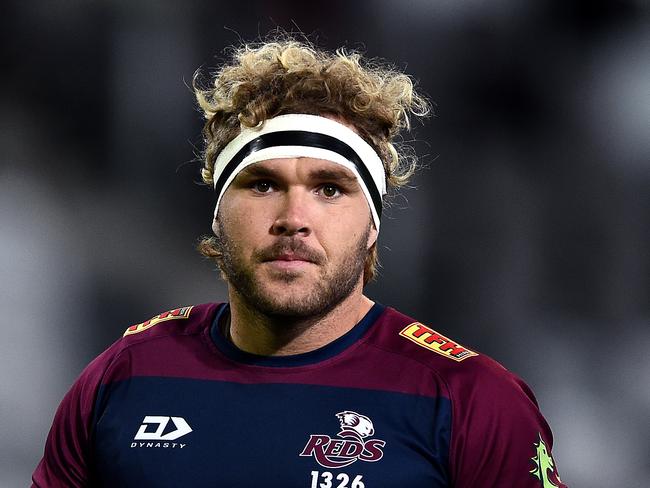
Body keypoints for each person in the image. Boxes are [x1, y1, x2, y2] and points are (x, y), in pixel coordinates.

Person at [33, 37, 567, 488]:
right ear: (218, 213)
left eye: (329, 190)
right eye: (263, 184)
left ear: (373, 223)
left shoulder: (471, 401)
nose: (294, 217)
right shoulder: (123, 379)